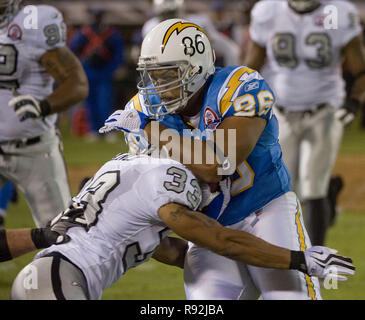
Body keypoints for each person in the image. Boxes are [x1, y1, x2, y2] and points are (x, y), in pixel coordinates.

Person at [99, 18, 342, 300]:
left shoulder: (237, 88)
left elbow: (217, 164)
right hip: (209, 230)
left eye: (167, 75)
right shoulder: (142, 110)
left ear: (197, 68)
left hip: (264, 210)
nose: (158, 86)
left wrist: (152, 129)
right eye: (152, 75)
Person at [9, 152, 354, 300]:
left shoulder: (130, 182)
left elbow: (173, 251)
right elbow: (220, 239)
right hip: (60, 281)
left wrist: (254, 258)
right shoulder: (167, 182)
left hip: (44, 276)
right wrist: (298, 259)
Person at [243, 0, 365, 246]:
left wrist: (353, 102)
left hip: (324, 110)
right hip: (280, 111)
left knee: (313, 187)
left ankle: (315, 258)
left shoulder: (338, 13)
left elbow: (359, 69)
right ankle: (328, 194)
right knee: (287, 187)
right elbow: (250, 67)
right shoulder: (268, 11)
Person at [0, 0, 89, 227]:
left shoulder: (33, 23)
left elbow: (77, 83)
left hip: (34, 149)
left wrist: (43, 106)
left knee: (60, 232)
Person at [69, 7, 124, 141]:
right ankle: (94, 130)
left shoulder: (111, 33)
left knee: (104, 102)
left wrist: (112, 69)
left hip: (104, 72)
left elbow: (118, 55)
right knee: (90, 102)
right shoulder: (84, 32)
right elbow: (72, 49)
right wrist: (80, 65)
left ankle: (108, 130)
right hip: (89, 71)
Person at [141, 0, 241, 67]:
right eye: (166, 14)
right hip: (162, 69)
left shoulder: (197, 23)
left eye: (172, 13)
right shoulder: (150, 27)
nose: (169, 18)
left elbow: (228, 48)